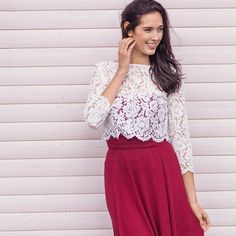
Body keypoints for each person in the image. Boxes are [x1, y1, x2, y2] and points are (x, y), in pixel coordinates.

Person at [83, 0, 211, 235]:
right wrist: (122, 71)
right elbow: (93, 118)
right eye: (148, 29)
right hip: (121, 173)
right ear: (128, 29)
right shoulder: (104, 71)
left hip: (161, 170)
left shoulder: (167, 76)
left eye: (160, 29)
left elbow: (181, 140)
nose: (155, 37)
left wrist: (193, 201)